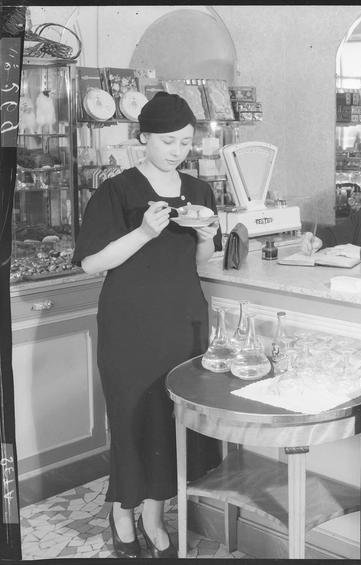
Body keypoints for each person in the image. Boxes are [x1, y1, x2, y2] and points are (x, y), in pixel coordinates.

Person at [72, 92, 222, 558]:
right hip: (130, 324)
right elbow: (91, 264)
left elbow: (201, 263)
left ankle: (154, 516)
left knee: (169, 421)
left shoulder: (199, 191)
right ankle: (122, 512)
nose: (177, 150)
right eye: (167, 141)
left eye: (185, 142)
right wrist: (143, 232)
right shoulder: (116, 191)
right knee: (131, 416)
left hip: (183, 319)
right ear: (143, 140)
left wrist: (205, 235)